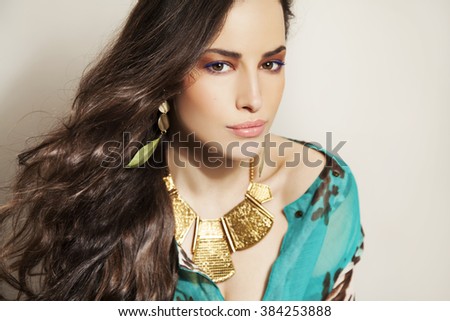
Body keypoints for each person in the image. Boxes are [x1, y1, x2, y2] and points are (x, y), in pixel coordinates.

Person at [0, 0, 364, 301]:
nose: (255, 99)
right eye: (219, 65)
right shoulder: (102, 201)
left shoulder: (323, 189)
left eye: (271, 64)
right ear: (165, 71)